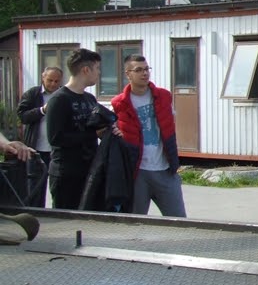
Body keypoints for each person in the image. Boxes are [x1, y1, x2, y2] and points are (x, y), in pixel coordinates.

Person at [110, 54, 186, 217]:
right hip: (138, 173)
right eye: (138, 70)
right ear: (128, 74)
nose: (144, 73)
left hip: (165, 169)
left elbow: (169, 127)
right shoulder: (119, 103)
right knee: (135, 222)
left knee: (179, 220)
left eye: (146, 69)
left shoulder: (163, 96)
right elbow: (111, 132)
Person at [46, 48, 112, 210]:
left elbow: (94, 127)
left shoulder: (89, 99)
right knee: (68, 224)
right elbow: (56, 138)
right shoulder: (59, 99)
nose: (99, 73)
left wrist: (107, 130)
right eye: (97, 68)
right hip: (66, 175)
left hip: (90, 171)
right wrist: (92, 134)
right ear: (85, 70)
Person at [16, 66, 63, 207]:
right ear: (43, 78)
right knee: (36, 187)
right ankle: (36, 214)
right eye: (50, 80)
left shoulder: (63, 95)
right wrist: (42, 110)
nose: (53, 84)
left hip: (57, 150)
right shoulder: (33, 94)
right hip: (36, 149)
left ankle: (59, 216)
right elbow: (22, 116)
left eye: (56, 81)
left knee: (58, 188)